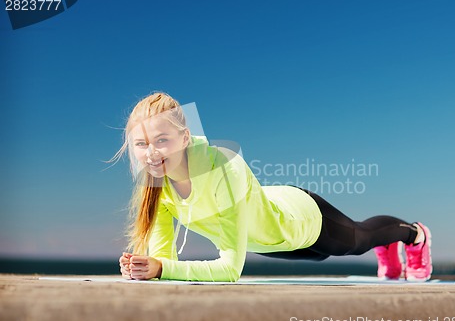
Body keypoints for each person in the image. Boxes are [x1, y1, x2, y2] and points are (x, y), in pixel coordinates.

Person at [114, 92, 432, 282]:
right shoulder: (157, 189)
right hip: (269, 241)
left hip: (299, 217)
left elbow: (230, 269)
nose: (151, 153)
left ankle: (413, 235)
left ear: (185, 138)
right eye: (141, 144)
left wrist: (160, 269)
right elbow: (164, 260)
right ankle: (389, 246)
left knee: (357, 240)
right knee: (319, 257)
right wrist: (146, 268)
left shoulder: (223, 169)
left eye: (162, 141)